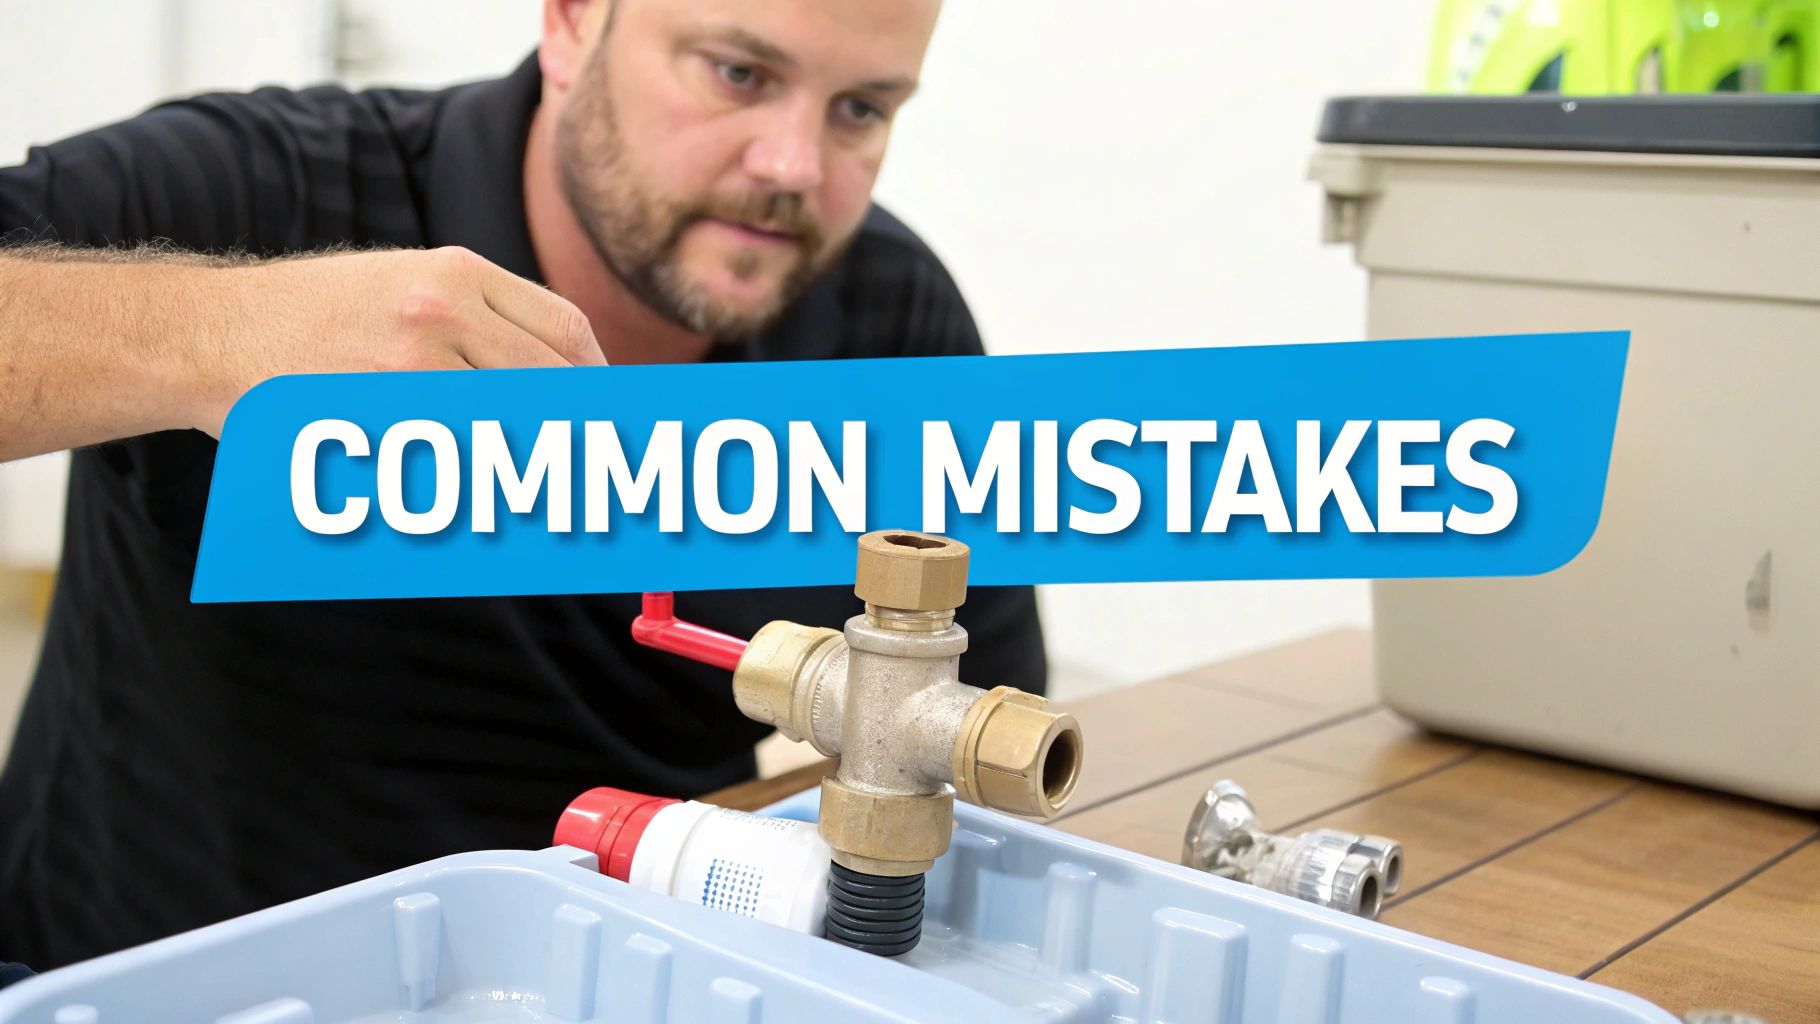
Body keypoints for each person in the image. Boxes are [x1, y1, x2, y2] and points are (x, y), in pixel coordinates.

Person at [0, 0, 1045, 969]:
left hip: (602, 974)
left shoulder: (895, 329)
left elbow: (987, 784)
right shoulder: (250, 189)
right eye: (735, 72)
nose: (791, 166)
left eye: (860, 109)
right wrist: (211, 330)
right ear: (571, 22)